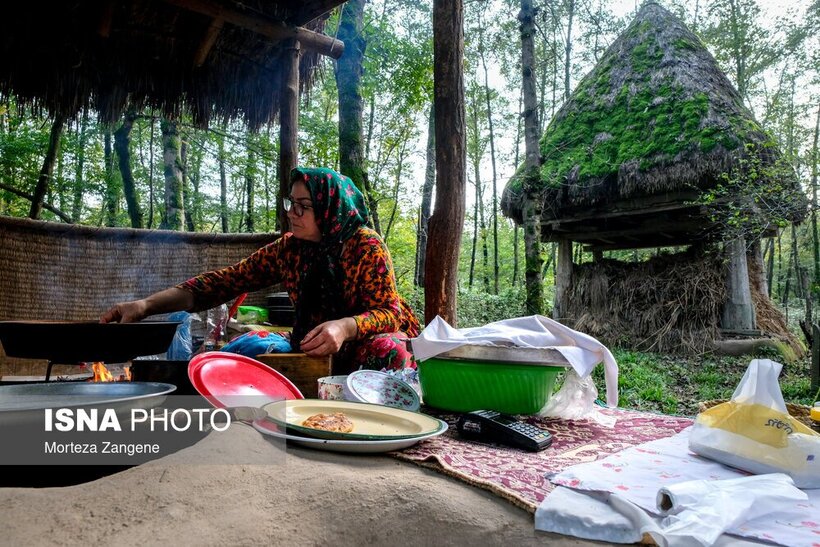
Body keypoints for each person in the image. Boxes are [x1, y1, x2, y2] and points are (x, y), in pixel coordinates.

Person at [101, 166, 420, 374]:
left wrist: (344, 328)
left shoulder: (364, 245)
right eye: (289, 202)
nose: (291, 214)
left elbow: (389, 312)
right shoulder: (290, 249)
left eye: (303, 206)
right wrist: (144, 306)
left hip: (363, 347)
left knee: (388, 350)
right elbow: (223, 282)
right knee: (248, 348)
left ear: (329, 209)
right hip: (311, 346)